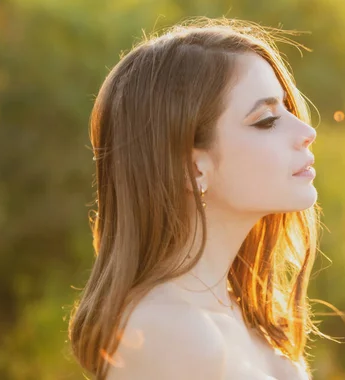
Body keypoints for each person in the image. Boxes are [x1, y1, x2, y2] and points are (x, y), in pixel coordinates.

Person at [68, 17, 325, 380]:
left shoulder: (245, 318)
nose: (307, 131)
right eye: (266, 120)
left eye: (287, 109)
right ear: (193, 168)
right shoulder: (167, 332)